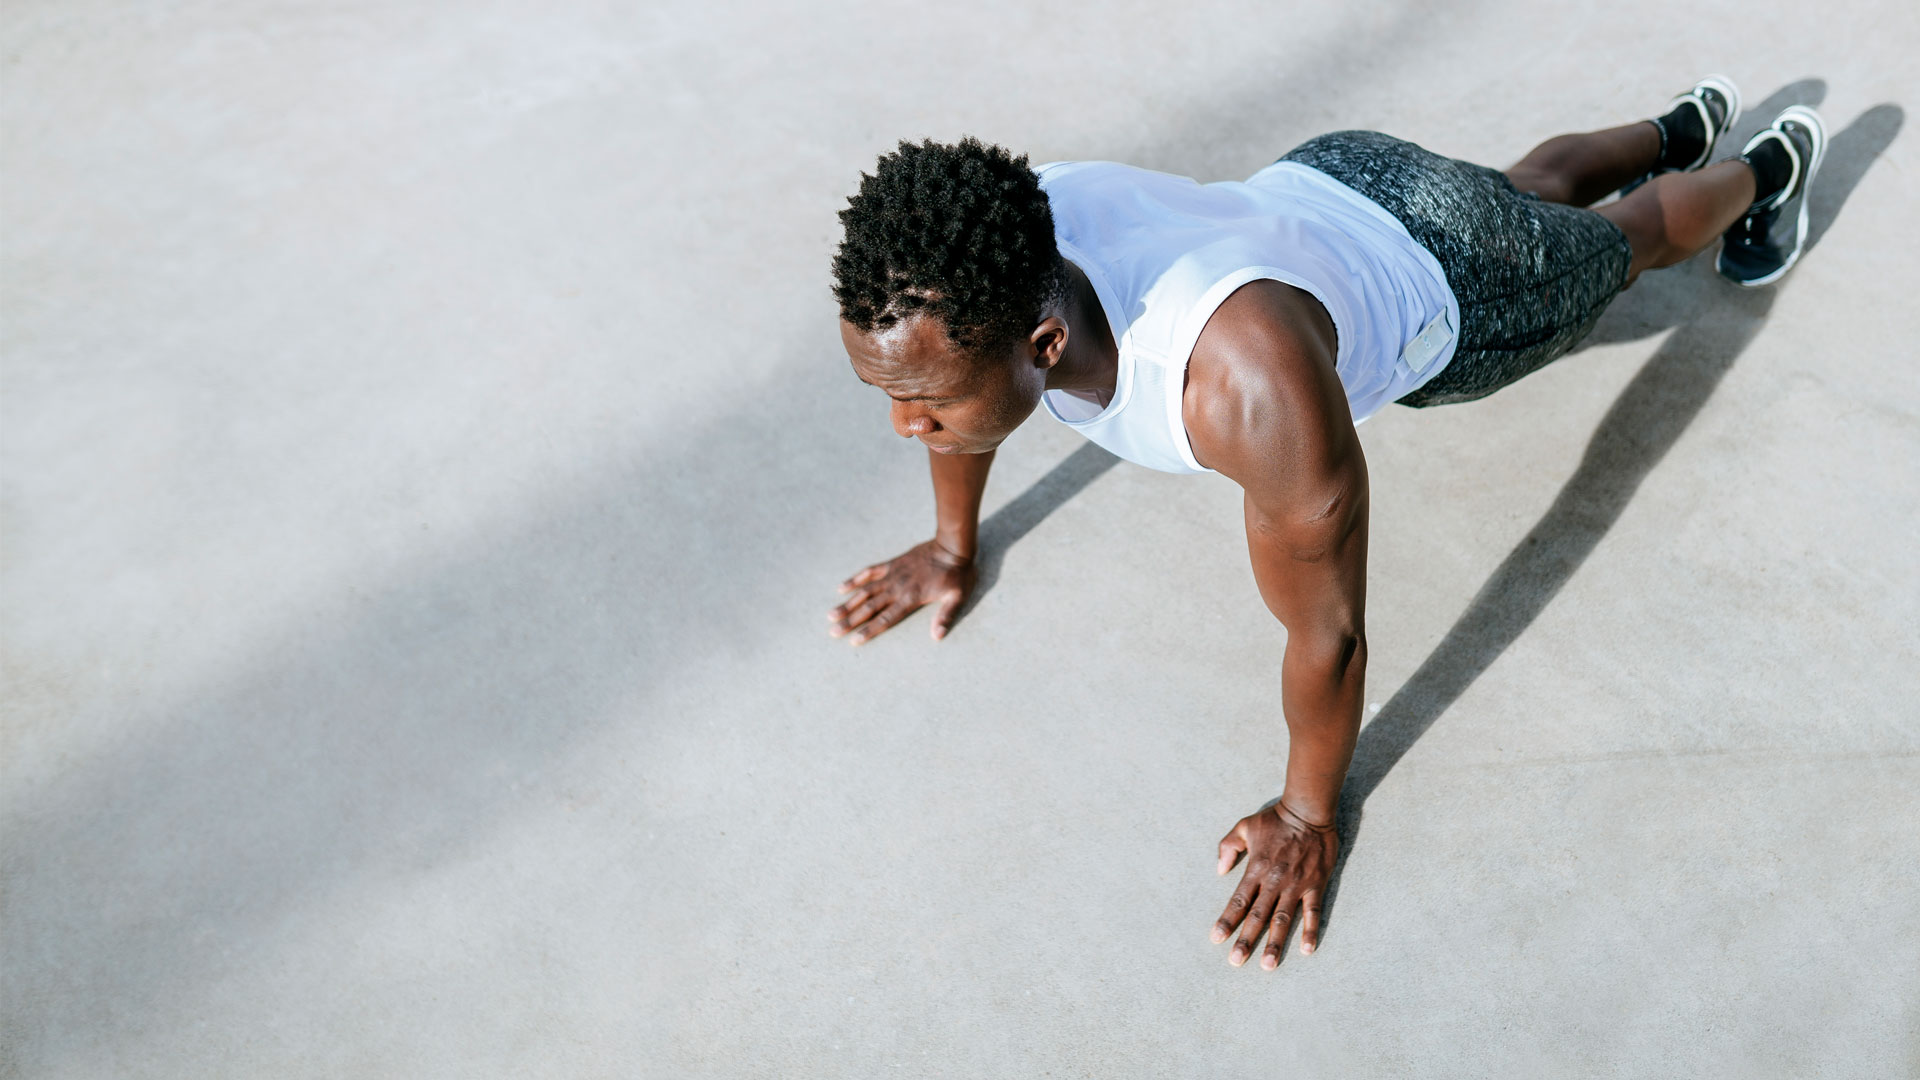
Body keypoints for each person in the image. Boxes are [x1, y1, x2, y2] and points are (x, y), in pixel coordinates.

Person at [823, 77, 1826, 971]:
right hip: (1332, 178)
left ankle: (1765, 171)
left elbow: (1328, 632)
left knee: (1626, 242)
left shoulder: (1242, 392)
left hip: (1457, 284)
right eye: (889, 394)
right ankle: (1676, 125)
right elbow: (960, 396)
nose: (908, 426)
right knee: (1523, 189)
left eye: (925, 403)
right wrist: (952, 547)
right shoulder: (1008, 236)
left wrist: (1306, 817)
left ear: (1044, 344)